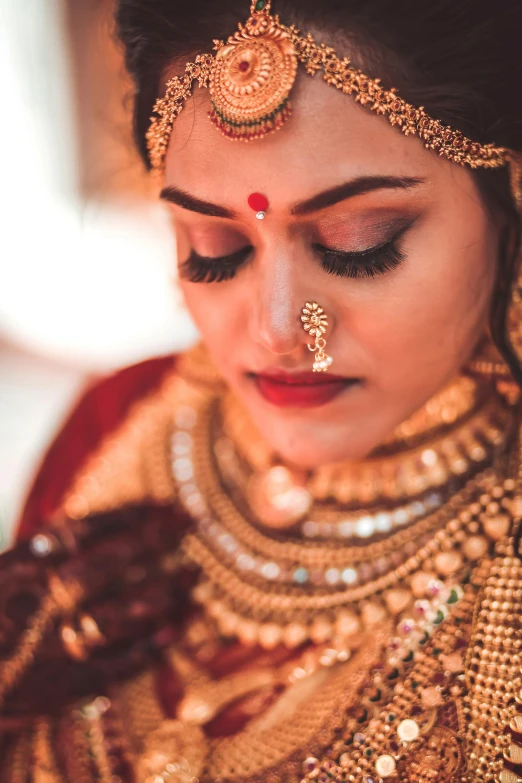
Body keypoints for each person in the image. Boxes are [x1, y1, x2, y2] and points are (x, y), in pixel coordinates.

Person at [2, 0, 522, 780]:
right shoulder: (117, 426)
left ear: (510, 200)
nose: (278, 332)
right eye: (213, 249)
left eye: (357, 245)